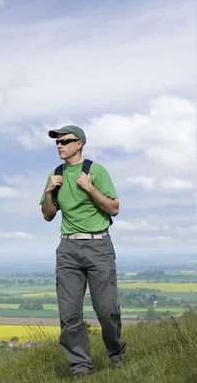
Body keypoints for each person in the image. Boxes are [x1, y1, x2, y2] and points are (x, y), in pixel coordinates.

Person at [39, 125, 126, 379]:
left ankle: (116, 354)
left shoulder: (96, 171)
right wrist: (48, 193)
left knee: (107, 309)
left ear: (79, 144)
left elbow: (114, 208)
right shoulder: (55, 175)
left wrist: (90, 187)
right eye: (57, 141)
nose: (59, 145)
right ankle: (81, 367)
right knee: (69, 314)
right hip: (68, 248)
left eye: (65, 141)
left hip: (98, 246)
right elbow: (47, 215)